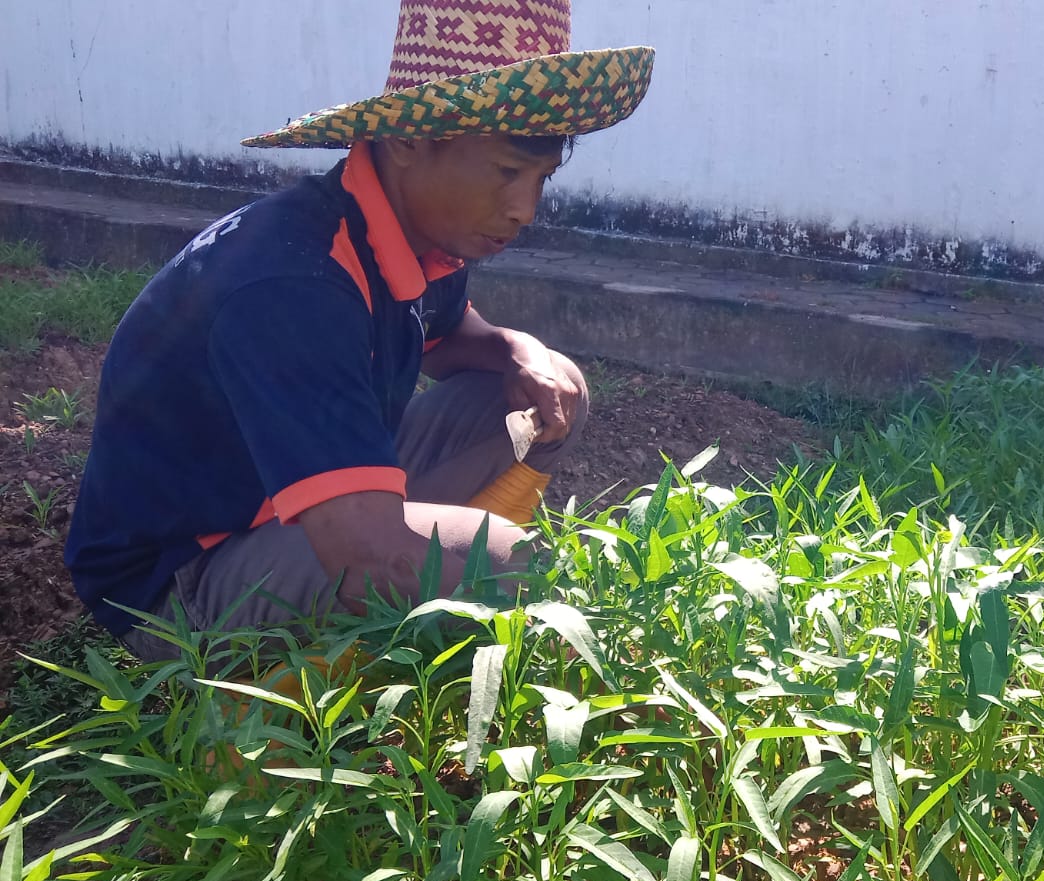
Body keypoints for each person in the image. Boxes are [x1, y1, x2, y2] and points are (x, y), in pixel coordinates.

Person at [63, 0, 654, 662]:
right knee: (508, 566)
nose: (525, 209)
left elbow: (452, 336)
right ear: (407, 141)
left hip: (295, 505)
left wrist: (520, 351)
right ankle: (325, 685)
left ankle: (439, 628)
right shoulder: (293, 285)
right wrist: (583, 626)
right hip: (183, 578)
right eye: (506, 172)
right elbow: (370, 554)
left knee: (550, 390)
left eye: (541, 178)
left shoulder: (413, 235)